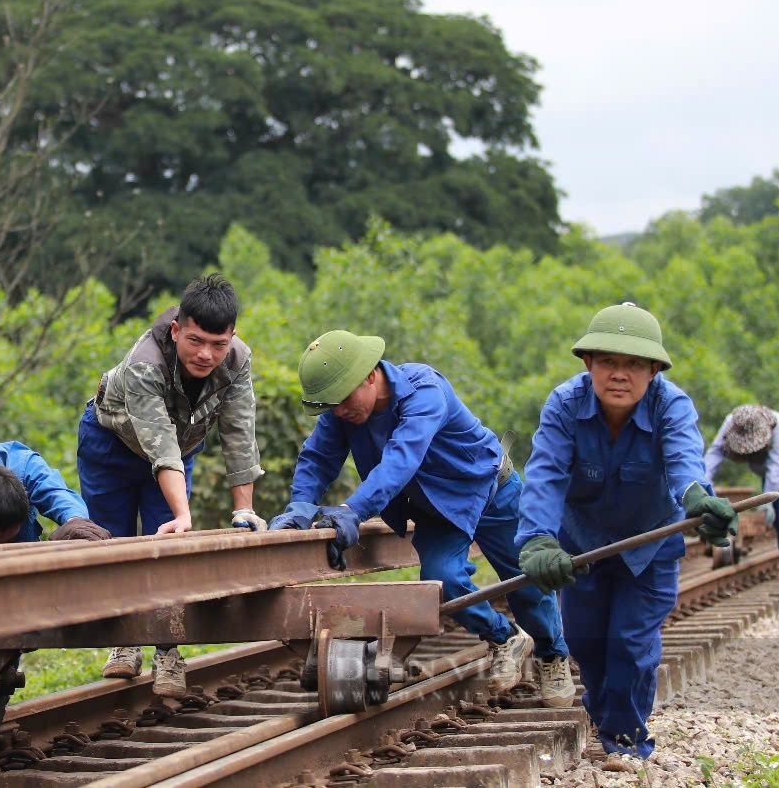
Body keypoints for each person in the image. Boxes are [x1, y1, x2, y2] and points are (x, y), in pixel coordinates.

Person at [267, 330, 574, 705]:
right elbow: (318, 458)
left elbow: (401, 459)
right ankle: (505, 637)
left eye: (343, 401)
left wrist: (352, 511)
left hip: (493, 490)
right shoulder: (341, 410)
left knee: (527, 579)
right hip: (438, 509)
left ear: (369, 375)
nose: (339, 412)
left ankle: (552, 657)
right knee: (441, 581)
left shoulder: (424, 392)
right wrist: (299, 507)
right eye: (331, 406)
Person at [515, 302, 736, 764]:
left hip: (648, 546)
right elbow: (545, 474)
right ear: (588, 364)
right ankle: (604, 715)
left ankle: (626, 741)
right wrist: (537, 538)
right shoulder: (564, 405)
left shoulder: (671, 405)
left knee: (631, 644)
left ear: (654, 369)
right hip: (583, 547)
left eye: (634, 363)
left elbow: (684, 461)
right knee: (586, 640)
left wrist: (697, 498)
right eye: (609, 362)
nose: (620, 374)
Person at [77, 274, 264, 696]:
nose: (206, 354)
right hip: (112, 444)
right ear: (177, 329)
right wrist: (184, 513)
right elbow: (159, 446)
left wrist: (244, 510)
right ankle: (124, 642)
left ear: (232, 337)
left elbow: (239, 434)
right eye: (196, 341)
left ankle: (168, 650)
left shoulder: (238, 360)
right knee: (115, 541)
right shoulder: (147, 362)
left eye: (219, 344)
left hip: (179, 449)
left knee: (170, 546)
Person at [705, 404, 779, 578]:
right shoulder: (731, 423)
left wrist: (767, 502)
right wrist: (701, 486)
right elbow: (714, 454)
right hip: (768, 467)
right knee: (778, 513)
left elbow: (776, 469)